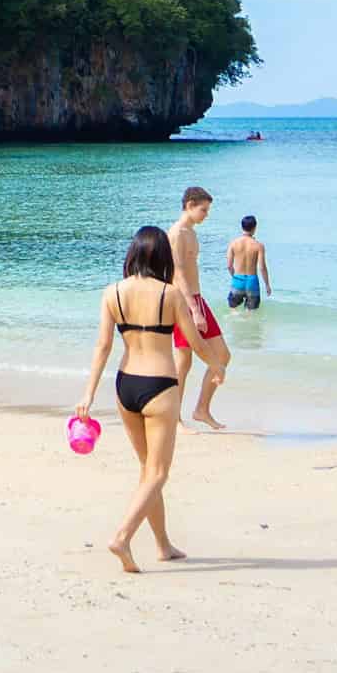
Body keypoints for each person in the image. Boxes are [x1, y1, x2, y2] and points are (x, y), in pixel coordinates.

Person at [74, 223, 201, 575]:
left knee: (148, 470)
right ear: (163, 258)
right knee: (158, 472)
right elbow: (193, 342)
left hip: (125, 385)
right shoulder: (170, 294)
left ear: (132, 253)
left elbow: (103, 346)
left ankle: (163, 545)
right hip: (159, 384)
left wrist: (88, 394)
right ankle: (123, 536)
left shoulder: (112, 293)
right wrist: (219, 364)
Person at [167, 186, 230, 427]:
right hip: (184, 301)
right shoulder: (177, 233)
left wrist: (197, 305)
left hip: (196, 299)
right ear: (190, 205)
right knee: (183, 361)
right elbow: (178, 273)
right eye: (203, 210)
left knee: (222, 354)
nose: (206, 215)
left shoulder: (190, 232)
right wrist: (193, 309)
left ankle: (201, 409)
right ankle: (174, 418)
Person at [225, 214, 271, 310]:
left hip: (238, 280)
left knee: (233, 310)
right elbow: (262, 267)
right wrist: (267, 285)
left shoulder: (233, 243)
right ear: (255, 228)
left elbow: (229, 266)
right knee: (251, 313)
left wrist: (235, 277)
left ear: (242, 227)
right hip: (252, 282)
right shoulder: (259, 246)